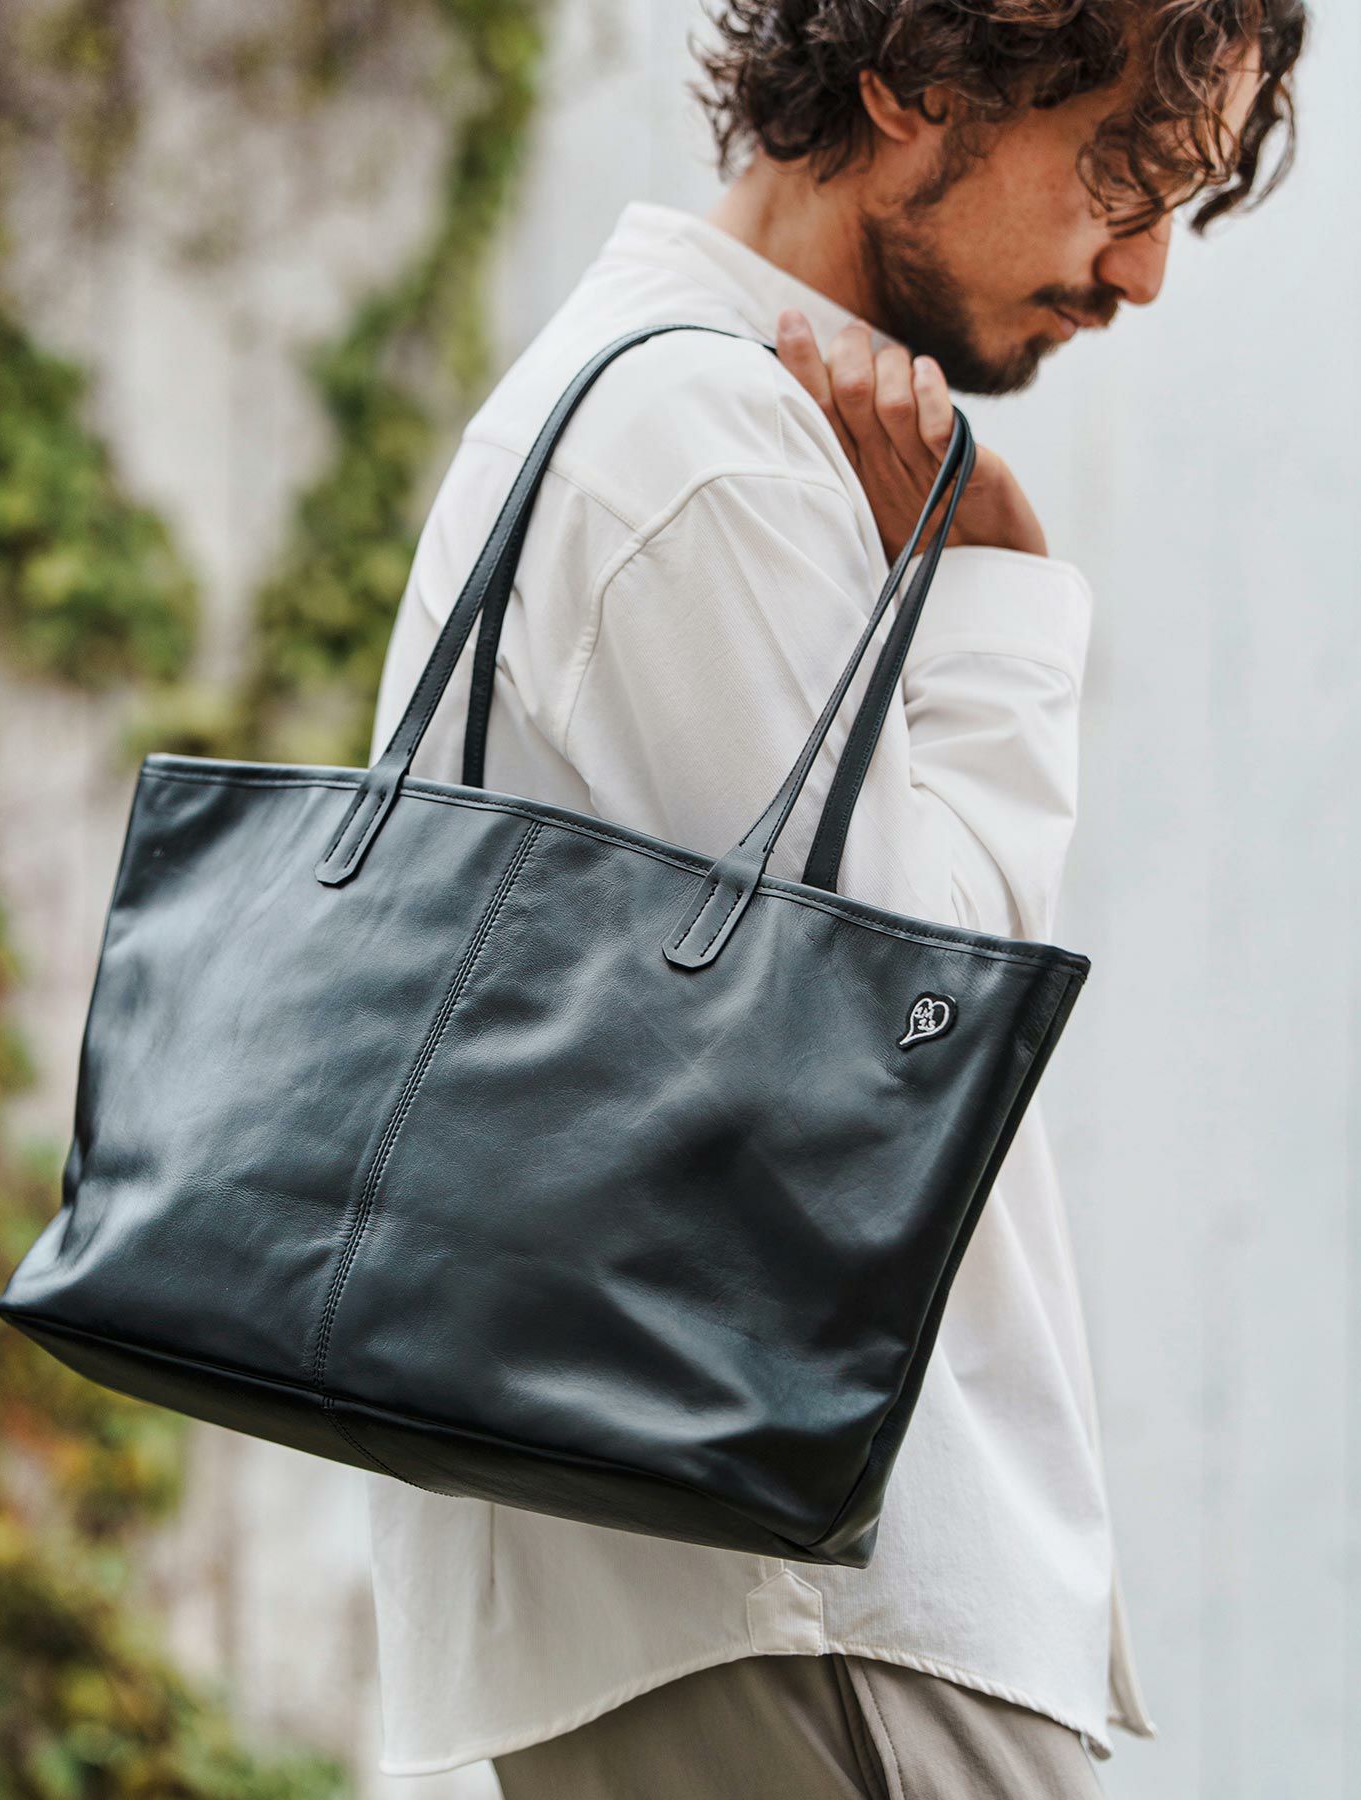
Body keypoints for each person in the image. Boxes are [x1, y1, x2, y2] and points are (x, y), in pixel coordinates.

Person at [362, 3, 1305, 1794]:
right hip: (807, 1600)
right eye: (1122, 179)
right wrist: (999, 611)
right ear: (917, 82)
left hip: (756, 1582)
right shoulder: (707, 446)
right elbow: (901, 1063)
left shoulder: (661, 399)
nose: (1145, 272)